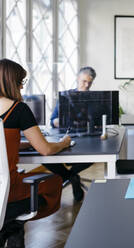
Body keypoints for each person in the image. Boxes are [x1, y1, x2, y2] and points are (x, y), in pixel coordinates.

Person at [0, 58, 71, 246]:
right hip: (8, 191)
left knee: (12, 218)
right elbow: (45, 149)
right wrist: (63, 143)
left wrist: (18, 145)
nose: (21, 88)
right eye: (20, 82)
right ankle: (11, 221)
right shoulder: (18, 109)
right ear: (11, 82)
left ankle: (10, 222)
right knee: (54, 182)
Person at [44, 66, 96, 202]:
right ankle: (72, 176)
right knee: (45, 158)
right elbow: (52, 120)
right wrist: (63, 121)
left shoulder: (94, 99)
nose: (86, 85)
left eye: (90, 83)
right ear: (77, 79)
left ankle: (70, 175)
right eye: (84, 81)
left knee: (92, 155)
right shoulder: (65, 97)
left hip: (86, 138)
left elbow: (98, 121)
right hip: (65, 136)